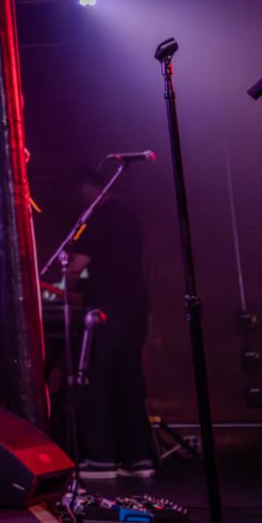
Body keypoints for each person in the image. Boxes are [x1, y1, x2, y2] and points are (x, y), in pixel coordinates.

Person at [66, 170, 157, 479]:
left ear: (90, 188)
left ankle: (102, 457)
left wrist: (66, 283)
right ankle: (138, 458)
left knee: (97, 379)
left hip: (107, 309)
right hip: (134, 307)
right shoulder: (130, 216)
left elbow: (76, 266)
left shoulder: (100, 216)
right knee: (130, 380)